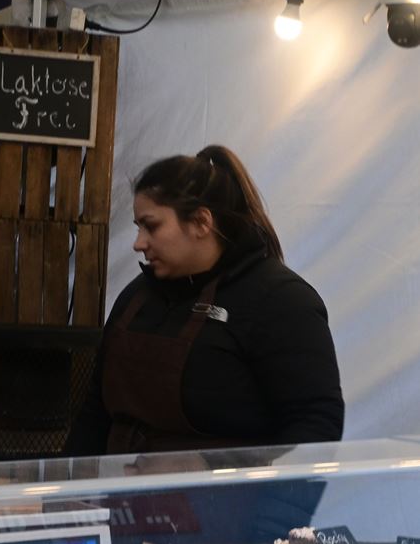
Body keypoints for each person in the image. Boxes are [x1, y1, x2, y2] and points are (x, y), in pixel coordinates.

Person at [66, 146, 344, 456]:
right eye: (138, 228)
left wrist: (223, 472)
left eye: (151, 226)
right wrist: (69, 483)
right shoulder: (136, 297)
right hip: (119, 484)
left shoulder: (282, 301)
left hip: (227, 488)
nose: (138, 243)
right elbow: (95, 413)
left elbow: (316, 425)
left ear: (201, 222)